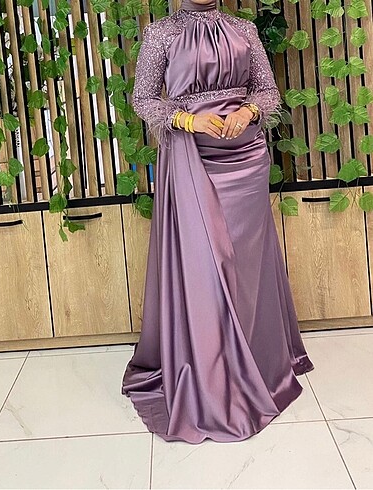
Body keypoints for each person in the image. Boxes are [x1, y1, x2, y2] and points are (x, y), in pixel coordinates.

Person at [121, 0, 315, 444]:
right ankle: (212, 372)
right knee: (205, 266)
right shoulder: (161, 33)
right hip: (191, 157)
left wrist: (247, 113)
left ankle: (255, 361)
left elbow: (267, 92)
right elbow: (144, 100)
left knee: (245, 266)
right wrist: (188, 119)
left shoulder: (243, 29)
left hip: (247, 160)